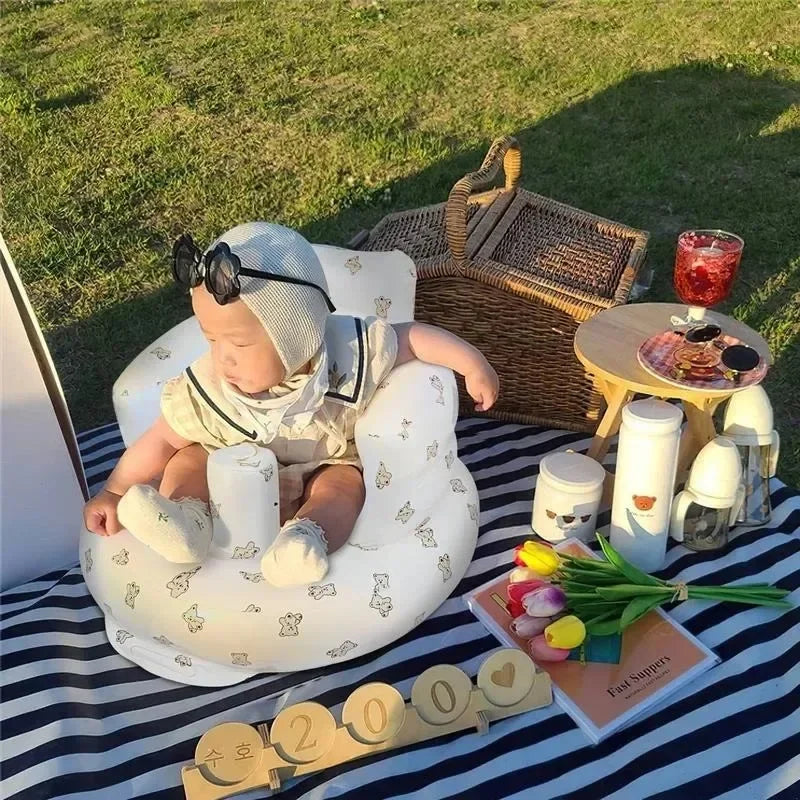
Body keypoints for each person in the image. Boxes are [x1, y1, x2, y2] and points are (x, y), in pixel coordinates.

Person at [83, 222, 498, 587]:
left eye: (239, 343)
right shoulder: (211, 389)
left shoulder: (348, 354)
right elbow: (158, 440)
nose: (222, 357)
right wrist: (115, 490)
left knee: (344, 487)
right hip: (230, 473)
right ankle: (186, 524)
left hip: (324, 463)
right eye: (211, 339)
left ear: (296, 336)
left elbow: (409, 338)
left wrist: (471, 364)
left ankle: (304, 540)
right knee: (188, 459)